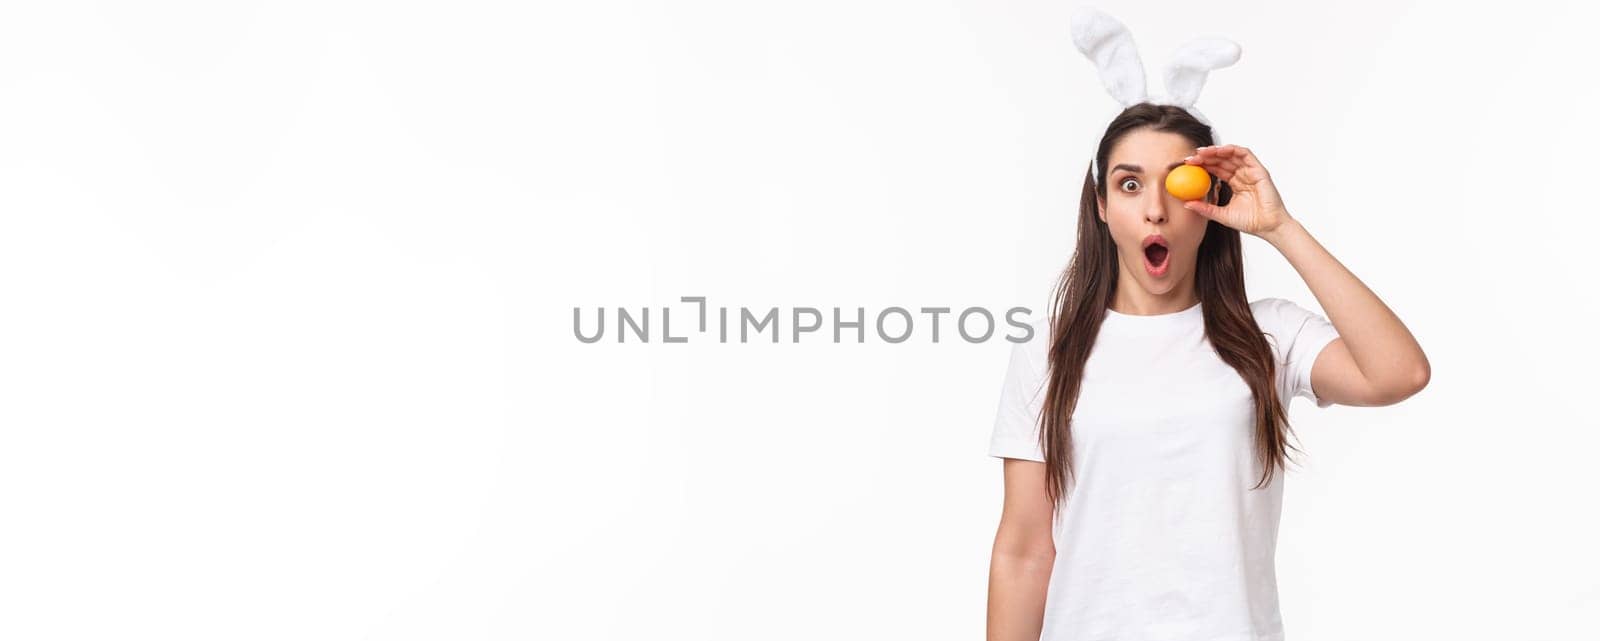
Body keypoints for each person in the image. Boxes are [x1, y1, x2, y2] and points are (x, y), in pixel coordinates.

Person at [984, 102, 1431, 641]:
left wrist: (1280, 227)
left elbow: (1399, 373)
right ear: (1100, 205)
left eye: (1178, 185)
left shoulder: (1268, 336)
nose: (1155, 210)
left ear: (1209, 201)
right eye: (1130, 185)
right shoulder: (1050, 348)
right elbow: (1025, 551)